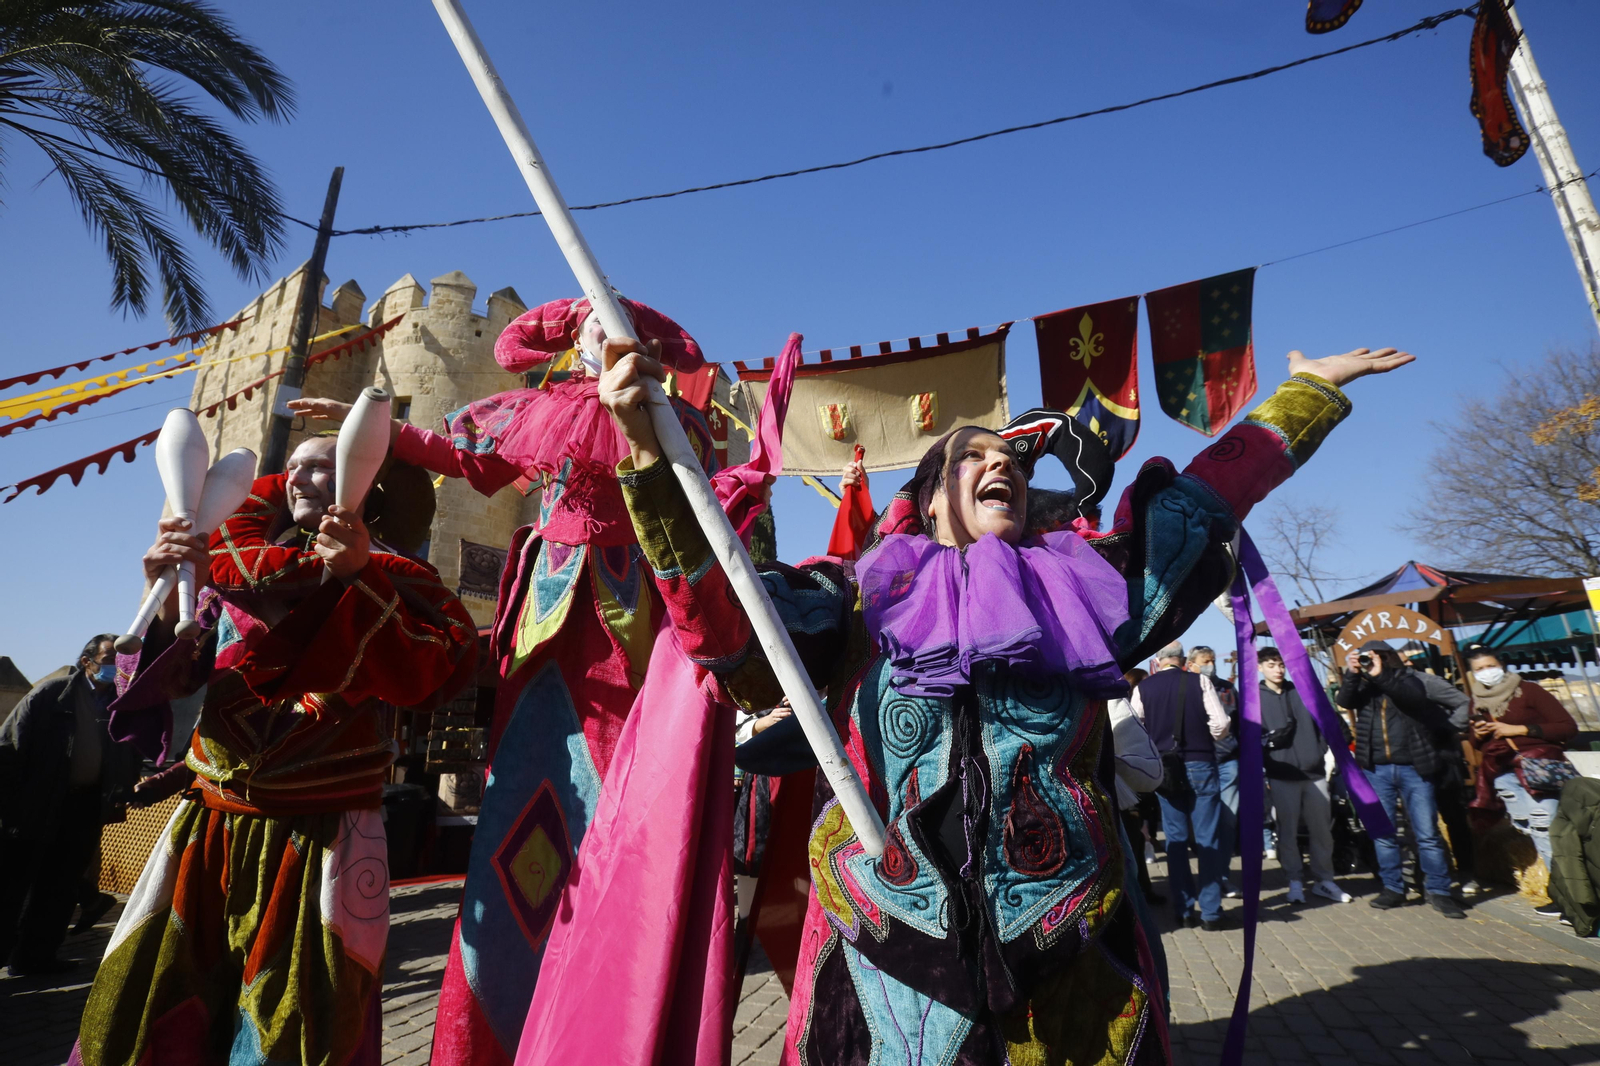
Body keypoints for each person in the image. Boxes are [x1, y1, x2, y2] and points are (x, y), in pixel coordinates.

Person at [601, 331, 1409, 1061]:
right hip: (889, 962)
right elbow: (726, 625)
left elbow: (1204, 501)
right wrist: (648, 453)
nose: (1003, 468)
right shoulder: (852, 601)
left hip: (1072, 951)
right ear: (928, 496)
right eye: (972, 457)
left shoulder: (1089, 591)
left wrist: (1313, 391)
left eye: (1014, 463)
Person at [292, 296, 737, 1066]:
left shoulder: (674, 421)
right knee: (526, 810)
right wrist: (384, 431)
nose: (605, 324)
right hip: (544, 632)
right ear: (572, 335)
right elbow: (473, 463)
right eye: (592, 316)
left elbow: (698, 509)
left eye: (618, 315)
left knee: (624, 815)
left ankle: (610, 1004)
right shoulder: (543, 408)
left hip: (635, 631)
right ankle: (497, 1023)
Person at [72, 433, 478, 1066]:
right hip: (207, 831)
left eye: (325, 467)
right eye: (295, 468)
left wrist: (357, 577)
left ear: (368, 485)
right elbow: (167, 681)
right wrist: (157, 598)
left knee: (302, 1026)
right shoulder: (227, 575)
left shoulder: (407, 581)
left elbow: (432, 672)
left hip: (324, 840)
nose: (300, 479)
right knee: (159, 1010)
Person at [0, 634, 138, 976]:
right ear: (86, 661)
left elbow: (129, 751)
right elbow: (10, 745)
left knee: (60, 885)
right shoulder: (51, 694)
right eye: (108, 659)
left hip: (84, 805)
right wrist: (12, 803)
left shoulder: (122, 702)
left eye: (118, 661)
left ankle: (36, 958)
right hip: (37, 801)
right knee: (13, 886)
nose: (113, 667)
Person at [1337, 641, 1466, 918]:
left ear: (1390, 657)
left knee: (1427, 834)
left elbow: (1410, 699)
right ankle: (1394, 888)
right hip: (1376, 769)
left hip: (1414, 767)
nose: (1374, 661)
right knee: (1384, 834)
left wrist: (1380, 674)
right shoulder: (1365, 685)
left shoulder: (1411, 680)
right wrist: (1352, 673)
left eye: (1380, 656)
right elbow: (1344, 701)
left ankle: (1440, 892)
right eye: (1369, 657)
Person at [1465, 646, 1578, 916]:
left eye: (1490, 666)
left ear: (1501, 665)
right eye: (1479, 669)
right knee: (1534, 832)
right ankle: (1562, 891)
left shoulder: (1528, 691)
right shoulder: (1476, 700)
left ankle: (1569, 897)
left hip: (1536, 768)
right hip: (1504, 774)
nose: (1486, 673)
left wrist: (1520, 729)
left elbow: (1567, 727)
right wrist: (1479, 734)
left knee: (1546, 828)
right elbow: (1476, 744)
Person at [1134, 642, 1233, 929]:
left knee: (1175, 840)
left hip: (1165, 768)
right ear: (1181, 658)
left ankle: (1185, 910)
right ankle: (1212, 912)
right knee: (1208, 838)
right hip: (1201, 762)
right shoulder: (1200, 681)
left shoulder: (1144, 688)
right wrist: (1204, 739)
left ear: (1158, 659)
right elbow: (1221, 723)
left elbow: (1137, 728)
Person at [1257, 646, 1352, 904]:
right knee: (1286, 831)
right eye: (1271, 665)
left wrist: (1319, 750)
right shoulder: (1254, 698)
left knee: (1322, 831)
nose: (1277, 670)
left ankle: (1325, 880)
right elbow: (1250, 737)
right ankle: (1295, 880)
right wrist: (1268, 760)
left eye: (1280, 664)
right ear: (1260, 667)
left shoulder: (1303, 692)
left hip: (1314, 773)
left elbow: (1327, 724)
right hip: (1281, 774)